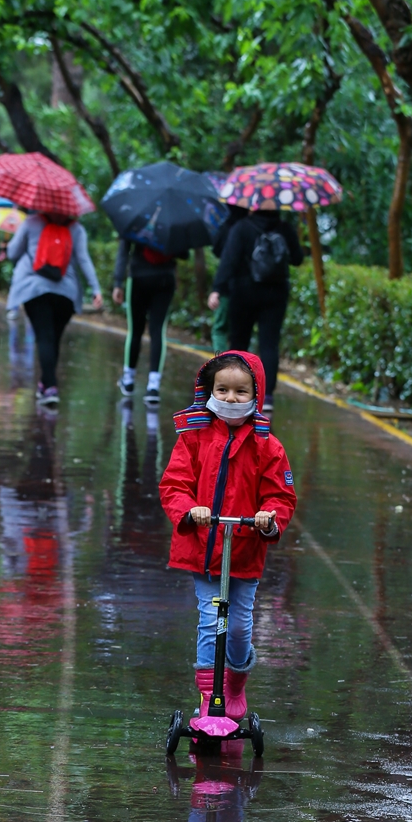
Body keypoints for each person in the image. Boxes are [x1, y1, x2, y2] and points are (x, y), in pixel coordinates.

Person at [159, 350, 296, 721]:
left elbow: (280, 495)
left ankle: (235, 685)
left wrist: (269, 518)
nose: (231, 399)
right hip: (202, 551)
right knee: (210, 620)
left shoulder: (268, 445)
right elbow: (174, 483)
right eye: (222, 390)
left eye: (240, 392)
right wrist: (189, 509)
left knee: (237, 627)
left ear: (256, 395)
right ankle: (208, 698)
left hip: (245, 550)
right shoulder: (194, 435)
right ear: (208, 391)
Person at [207, 209, 303, 411]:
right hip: (276, 294)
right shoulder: (285, 228)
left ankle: (236, 392)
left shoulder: (241, 227)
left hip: (243, 292)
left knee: (239, 342)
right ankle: (266, 397)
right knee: (269, 344)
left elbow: (229, 260)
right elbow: (297, 258)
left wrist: (218, 289)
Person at [7, 211, 103, 408]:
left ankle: (50, 386)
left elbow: (13, 253)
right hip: (66, 292)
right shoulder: (76, 229)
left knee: (44, 337)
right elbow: (83, 260)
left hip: (34, 289)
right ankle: (45, 384)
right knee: (53, 339)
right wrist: (96, 289)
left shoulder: (31, 222)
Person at [112, 239, 186, 407]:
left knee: (135, 330)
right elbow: (184, 253)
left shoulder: (137, 216)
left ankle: (129, 379)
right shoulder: (173, 219)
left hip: (139, 276)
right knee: (158, 331)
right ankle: (153, 386)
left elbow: (124, 249)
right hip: (165, 278)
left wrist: (118, 282)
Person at [210, 205, 247, 353]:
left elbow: (216, 249)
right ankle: (237, 370)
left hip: (226, 286)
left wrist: (216, 289)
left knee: (219, 328)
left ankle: (221, 366)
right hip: (246, 286)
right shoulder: (248, 226)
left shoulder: (226, 226)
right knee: (240, 333)